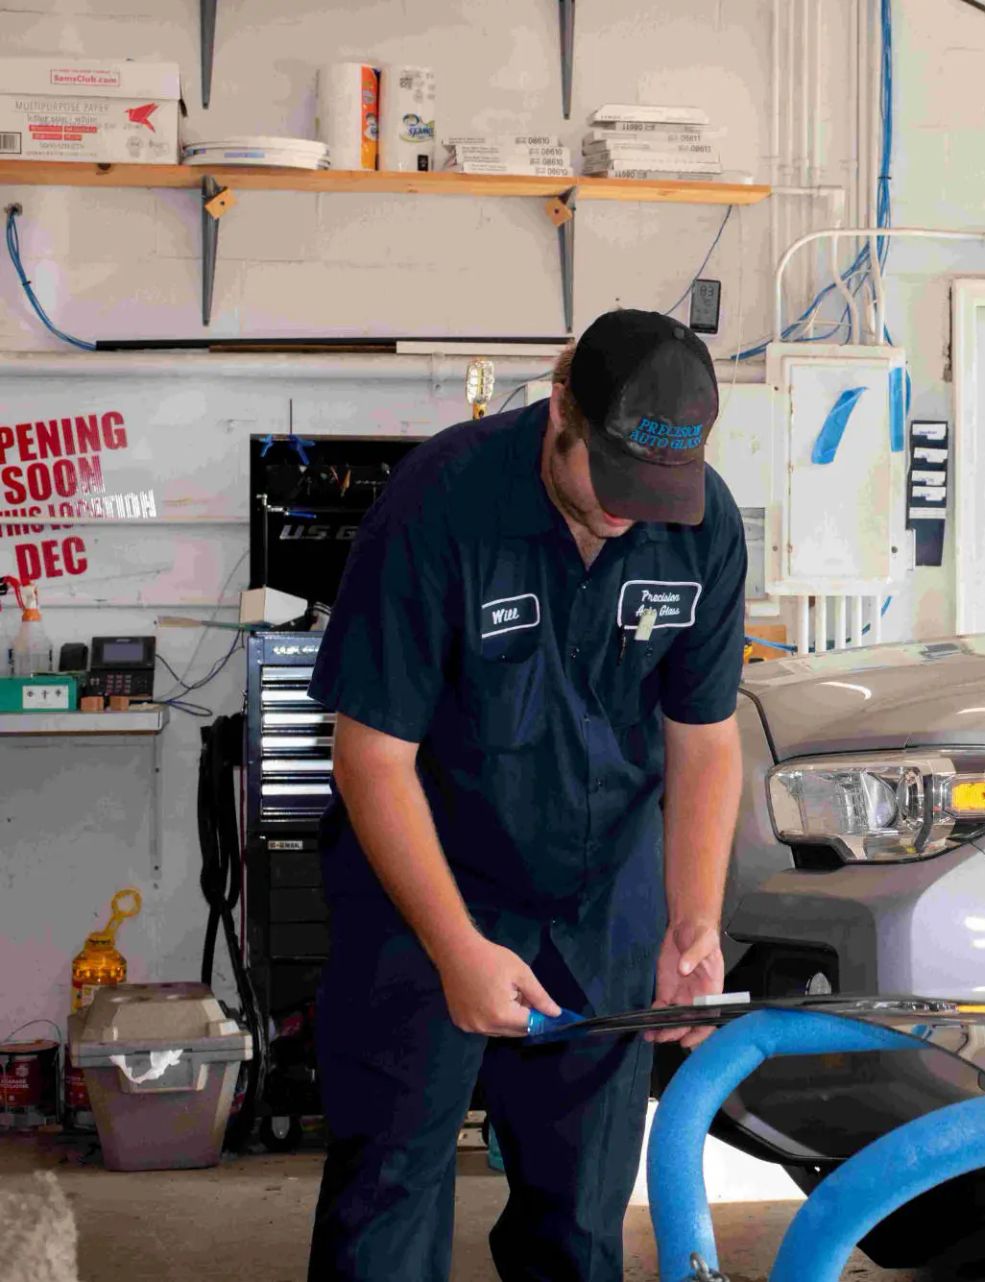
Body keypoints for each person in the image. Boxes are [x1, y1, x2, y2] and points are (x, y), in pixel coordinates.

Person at [304, 309, 746, 1281]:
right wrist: (456, 945)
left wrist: (693, 921)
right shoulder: (442, 503)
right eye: (617, 480)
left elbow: (706, 742)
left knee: (583, 1217)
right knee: (390, 1191)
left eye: (658, 491)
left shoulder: (703, 525)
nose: (633, 512)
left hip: (603, 896)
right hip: (427, 878)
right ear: (561, 411)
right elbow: (370, 755)